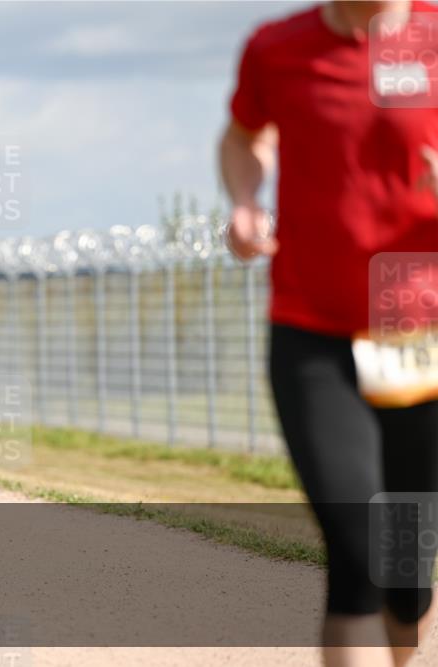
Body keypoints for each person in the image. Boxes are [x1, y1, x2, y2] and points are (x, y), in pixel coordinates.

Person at [221, 2, 438, 665]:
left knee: (405, 570)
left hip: (414, 332)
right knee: (353, 549)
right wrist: (245, 200)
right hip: (310, 328)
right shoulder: (277, 47)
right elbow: (243, 136)